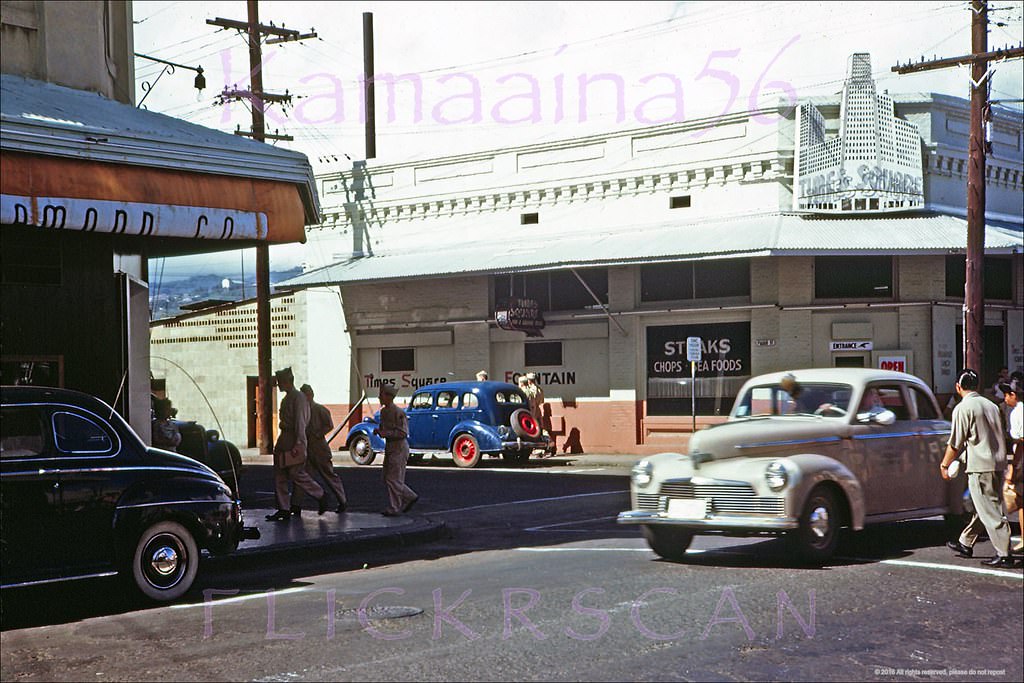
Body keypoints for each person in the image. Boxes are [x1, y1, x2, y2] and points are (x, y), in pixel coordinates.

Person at [940, 369, 1013, 567]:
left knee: (989, 509)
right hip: (998, 462)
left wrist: (945, 464)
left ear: (958, 387)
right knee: (985, 505)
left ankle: (1004, 553)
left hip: (980, 465)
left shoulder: (963, 408)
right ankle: (966, 542)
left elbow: (955, 443)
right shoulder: (992, 406)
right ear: (977, 386)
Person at [265, 368, 327, 522]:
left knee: (296, 473)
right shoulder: (288, 398)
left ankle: (320, 494)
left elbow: (300, 422)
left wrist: (299, 443)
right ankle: (283, 508)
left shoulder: (298, 398)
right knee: (280, 474)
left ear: (287, 381)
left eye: (280, 381)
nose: (278, 385)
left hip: (293, 437)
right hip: (285, 437)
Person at [292, 383, 348, 514]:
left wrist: (318, 433)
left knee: (328, 475)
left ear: (311, 395)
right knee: (302, 476)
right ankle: (296, 505)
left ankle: (342, 501)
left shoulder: (320, 410)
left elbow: (329, 425)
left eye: (306, 394)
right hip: (306, 447)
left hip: (319, 447)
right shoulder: (300, 411)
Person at [374, 383, 418, 516]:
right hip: (390, 447)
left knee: (393, 479)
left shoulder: (399, 413)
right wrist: (380, 431)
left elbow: (403, 433)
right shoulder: (383, 412)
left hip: (399, 447)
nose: (379, 397)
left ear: (389, 396)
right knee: (389, 477)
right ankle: (399, 503)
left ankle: (403, 501)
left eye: (382, 394)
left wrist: (385, 433)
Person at [1001, 382, 1023, 553]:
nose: (1005, 399)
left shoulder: (1017, 413)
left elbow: (1021, 442)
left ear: (1014, 395)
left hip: (1022, 458)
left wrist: (1013, 467)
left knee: (1022, 501)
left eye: (1007, 395)